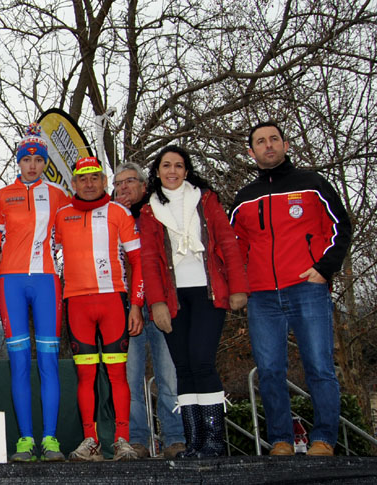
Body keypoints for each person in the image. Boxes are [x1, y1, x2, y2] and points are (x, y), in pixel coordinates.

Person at [231, 122, 352, 457]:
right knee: (269, 371)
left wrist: (324, 269)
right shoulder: (243, 199)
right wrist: (239, 286)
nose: (268, 146)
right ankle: (281, 439)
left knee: (319, 366)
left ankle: (324, 439)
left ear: (285, 144)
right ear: (251, 151)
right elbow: (232, 248)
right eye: (260, 142)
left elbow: (342, 227)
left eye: (273, 140)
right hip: (262, 296)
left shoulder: (312, 184)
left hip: (307, 287)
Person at [138, 146, 249, 458]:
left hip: (208, 292)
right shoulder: (149, 211)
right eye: (165, 166)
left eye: (178, 166)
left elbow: (227, 241)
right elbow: (148, 261)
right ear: (157, 172)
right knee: (183, 368)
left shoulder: (206, 199)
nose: (172, 171)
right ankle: (195, 442)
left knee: (202, 361)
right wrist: (156, 303)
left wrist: (238, 287)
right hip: (173, 298)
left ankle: (214, 441)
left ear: (187, 171)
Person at [56, 156, 143, 461]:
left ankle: (122, 439)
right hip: (77, 302)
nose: (89, 184)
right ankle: (90, 440)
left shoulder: (119, 212)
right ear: (74, 183)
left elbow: (137, 261)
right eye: (83, 179)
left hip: (113, 300)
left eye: (95, 177)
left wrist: (136, 305)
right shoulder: (62, 214)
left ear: (104, 182)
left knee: (118, 374)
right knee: (86, 375)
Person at [0, 124, 69, 461]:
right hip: (10, 281)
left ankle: (50, 439)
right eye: (27, 159)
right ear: (18, 162)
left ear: (45, 162)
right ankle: (25, 440)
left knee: (48, 360)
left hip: (47, 281)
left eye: (38, 159)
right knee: (20, 362)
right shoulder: (1, 195)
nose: (32, 165)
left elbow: (69, 235)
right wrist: (2, 253)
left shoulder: (57, 195)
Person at [113, 162, 187, 459]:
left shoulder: (158, 211)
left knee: (168, 375)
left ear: (144, 185)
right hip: (123, 305)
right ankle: (138, 440)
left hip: (159, 302)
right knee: (130, 378)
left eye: (130, 182)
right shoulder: (108, 215)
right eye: (118, 184)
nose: (124, 188)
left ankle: (175, 438)